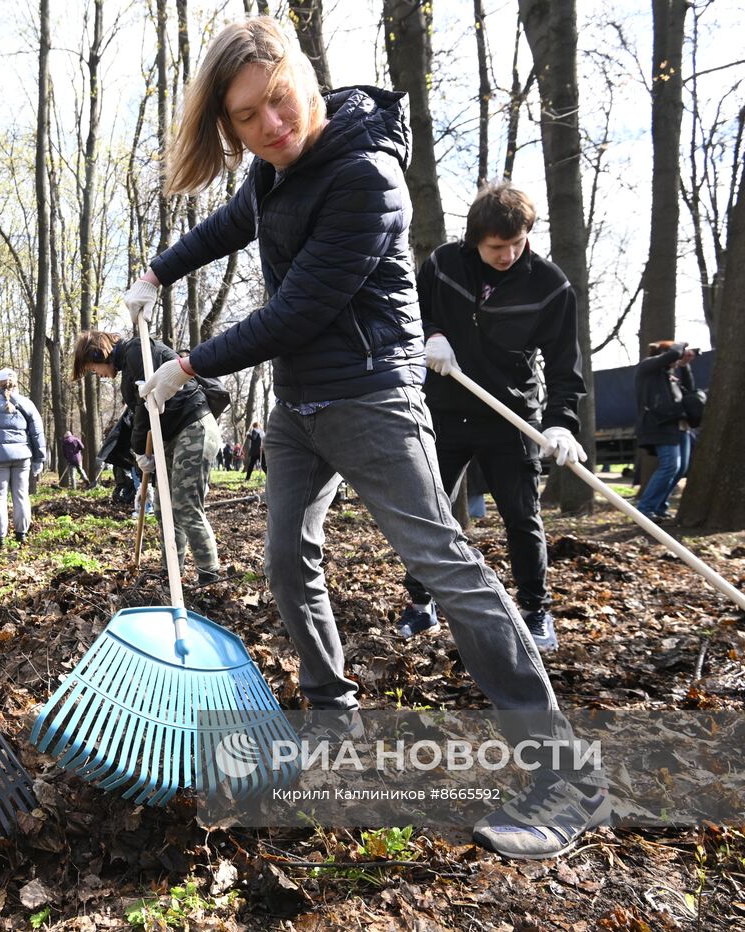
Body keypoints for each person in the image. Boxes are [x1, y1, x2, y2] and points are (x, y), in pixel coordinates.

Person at [121, 17, 604, 860]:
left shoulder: (366, 174)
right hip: (301, 409)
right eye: (245, 117)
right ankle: (334, 721)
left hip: (374, 399)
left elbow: (297, 309)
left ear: (303, 77)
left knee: (444, 567)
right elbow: (228, 226)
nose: (270, 124)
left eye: (277, 100)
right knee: (284, 560)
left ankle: (565, 776)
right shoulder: (278, 172)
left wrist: (186, 366)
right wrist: (158, 270)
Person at [411, 181, 587, 650]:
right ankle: (420, 601)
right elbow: (413, 310)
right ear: (474, 239)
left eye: (517, 243)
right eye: (496, 246)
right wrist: (433, 334)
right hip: (444, 410)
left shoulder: (550, 286)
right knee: (427, 512)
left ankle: (535, 611)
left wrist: (561, 422)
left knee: (522, 517)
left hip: (511, 417)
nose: (508, 254)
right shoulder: (444, 264)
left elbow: (565, 365)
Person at [72, 329, 222, 583]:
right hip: (169, 436)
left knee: (185, 505)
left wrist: (139, 448)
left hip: (193, 426)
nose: (97, 374)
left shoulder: (137, 351)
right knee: (165, 508)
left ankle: (209, 576)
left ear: (98, 354)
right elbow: (140, 410)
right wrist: (139, 451)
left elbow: (146, 403)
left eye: (93, 368)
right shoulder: (128, 365)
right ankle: (171, 572)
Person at [0, 368, 45, 549]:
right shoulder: (27, 403)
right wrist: (39, 458)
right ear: (16, 383)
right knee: (21, 495)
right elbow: (37, 433)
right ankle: (21, 534)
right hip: (22, 457)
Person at [634, 340, 698, 520]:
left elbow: (690, 391)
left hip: (680, 426)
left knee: (679, 469)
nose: (677, 361)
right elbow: (671, 355)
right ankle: (645, 509)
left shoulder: (669, 375)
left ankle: (660, 506)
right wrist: (682, 345)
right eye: (676, 357)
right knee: (670, 466)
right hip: (659, 426)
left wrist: (685, 366)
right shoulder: (647, 368)